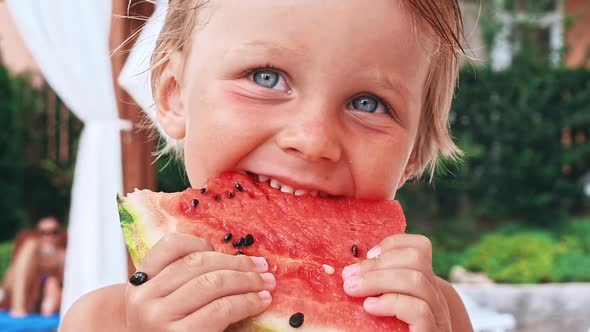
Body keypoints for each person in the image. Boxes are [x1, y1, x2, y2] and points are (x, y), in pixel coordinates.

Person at [62, 0, 474, 330]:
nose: (312, 141)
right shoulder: (102, 321)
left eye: (368, 104)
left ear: (412, 157)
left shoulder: (435, 315)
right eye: (266, 78)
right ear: (173, 94)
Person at [1, 216, 66, 317]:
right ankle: (18, 307)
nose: (49, 236)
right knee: (29, 246)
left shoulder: (63, 253)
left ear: (59, 234)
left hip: (51, 292)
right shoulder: (31, 250)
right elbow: (9, 282)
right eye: (44, 232)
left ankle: (18, 307)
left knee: (51, 286)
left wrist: (55, 264)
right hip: (30, 292)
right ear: (38, 235)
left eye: (54, 232)